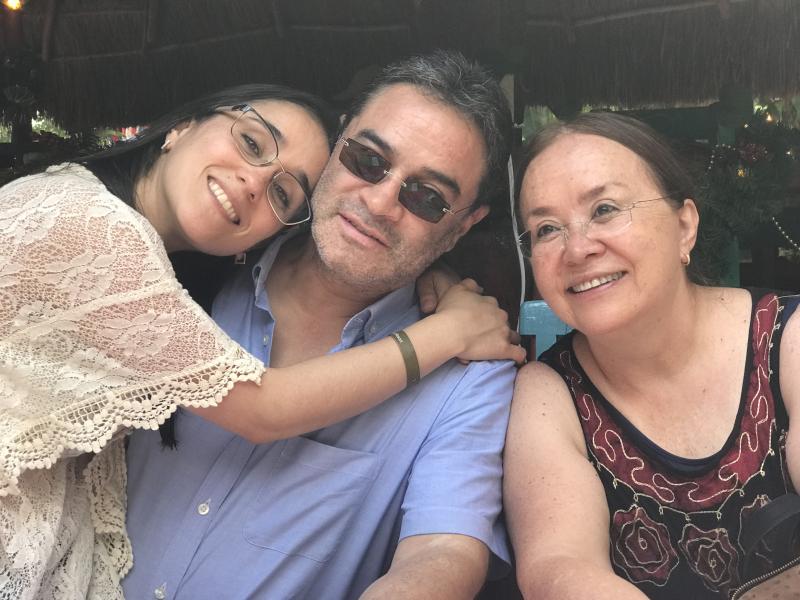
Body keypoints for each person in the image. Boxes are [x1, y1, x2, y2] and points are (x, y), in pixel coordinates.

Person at [0, 83, 523, 599]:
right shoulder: (102, 234)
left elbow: (443, 552)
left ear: (461, 227)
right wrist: (446, 331)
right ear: (181, 126)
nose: (381, 201)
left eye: (427, 199)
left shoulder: (182, 267)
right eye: (367, 160)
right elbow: (264, 407)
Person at [505, 112, 799, 599]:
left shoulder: (787, 341)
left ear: (684, 226)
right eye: (547, 229)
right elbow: (559, 567)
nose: (576, 250)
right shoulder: (548, 393)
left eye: (604, 209)